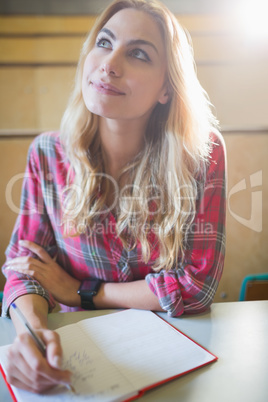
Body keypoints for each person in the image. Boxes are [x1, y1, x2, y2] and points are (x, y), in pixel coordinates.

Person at [1, 0, 226, 393]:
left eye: (138, 53)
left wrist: (83, 292)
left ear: (166, 88)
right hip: (76, 353)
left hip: (173, 359)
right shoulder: (47, 154)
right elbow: (24, 267)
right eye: (104, 42)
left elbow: (196, 284)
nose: (109, 63)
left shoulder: (201, 155)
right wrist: (32, 332)